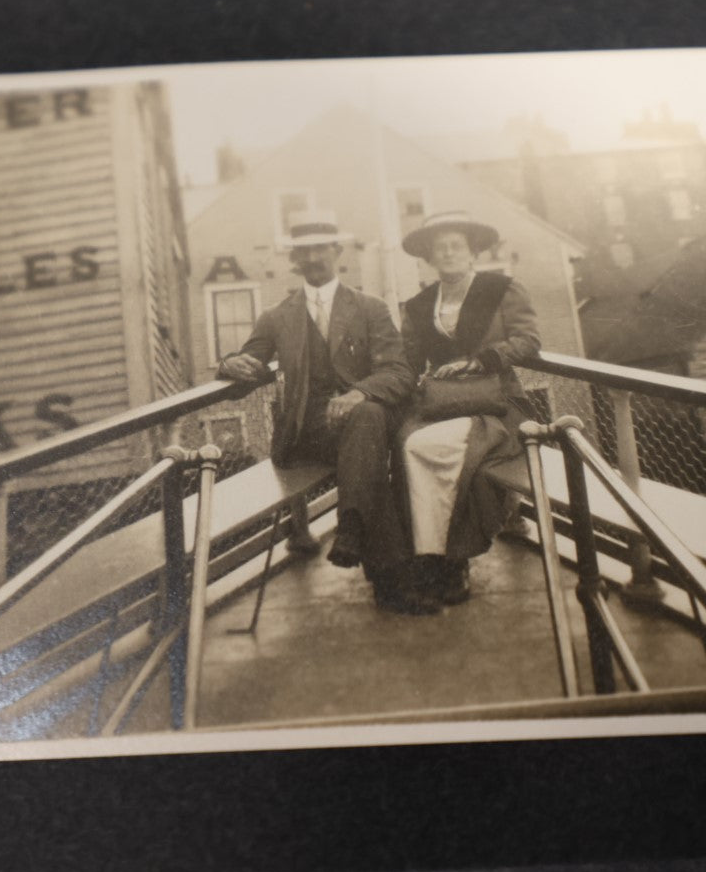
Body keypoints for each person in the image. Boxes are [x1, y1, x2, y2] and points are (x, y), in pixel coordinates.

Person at [217, 210, 433, 615]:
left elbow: (400, 371)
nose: (313, 257)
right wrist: (231, 363)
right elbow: (249, 362)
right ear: (294, 260)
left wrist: (358, 393)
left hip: (363, 418)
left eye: (320, 248)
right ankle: (383, 573)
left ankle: (355, 532)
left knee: (365, 417)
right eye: (304, 252)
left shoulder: (370, 308)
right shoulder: (277, 316)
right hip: (307, 432)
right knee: (367, 465)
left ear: (338, 251)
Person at [396, 210, 541, 606]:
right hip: (443, 403)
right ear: (429, 257)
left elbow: (529, 340)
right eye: (439, 248)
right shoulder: (419, 304)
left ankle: (452, 556)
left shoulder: (502, 289)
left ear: (472, 250)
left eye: (456, 245)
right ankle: (430, 556)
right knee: (405, 441)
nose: (448, 253)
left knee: (428, 449)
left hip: (496, 403)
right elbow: (407, 361)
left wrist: (482, 360)